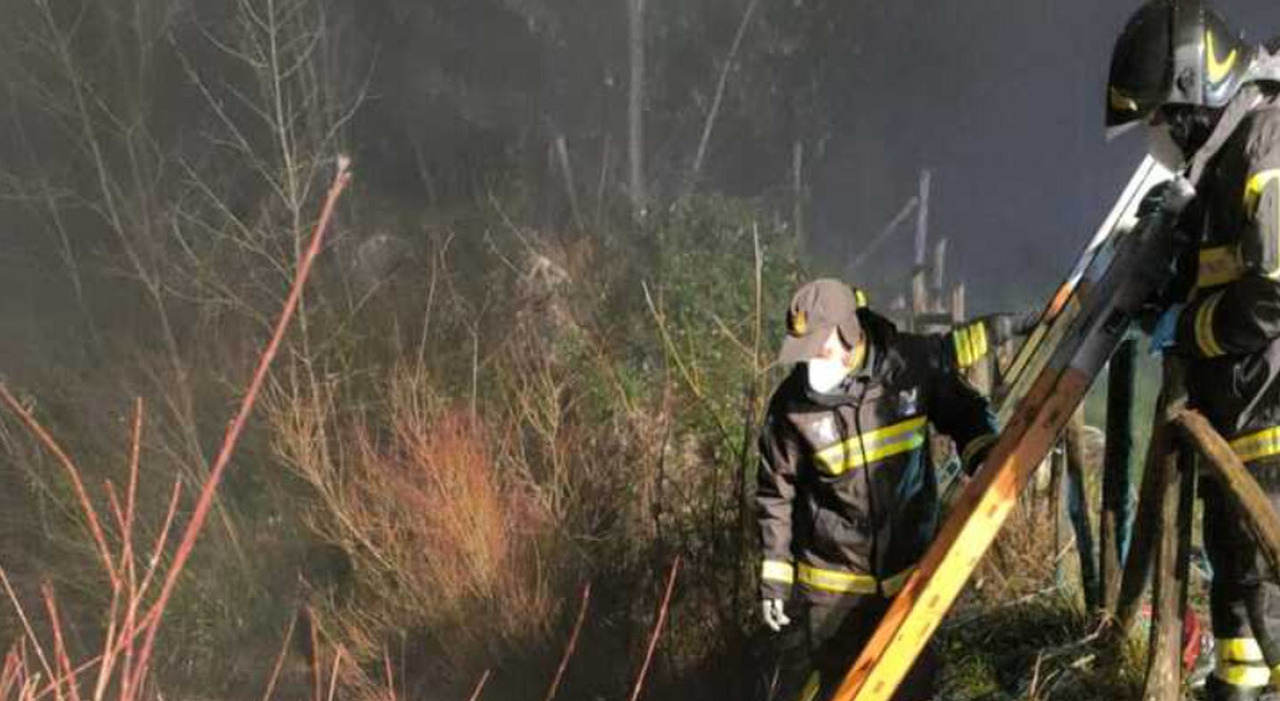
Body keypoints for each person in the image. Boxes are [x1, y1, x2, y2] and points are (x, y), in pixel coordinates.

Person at [1106, 1, 1280, 698]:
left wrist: (1191, 326)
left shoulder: (1265, 145)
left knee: (1269, 596)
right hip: (1243, 422)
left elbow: (1272, 291)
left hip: (1272, 419)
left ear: (1188, 102)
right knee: (1240, 594)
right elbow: (1215, 271)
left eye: (1157, 118)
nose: (1155, 136)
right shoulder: (1221, 163)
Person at [756, 279, 999, 701]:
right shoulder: (792, 406)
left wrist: (984, 454)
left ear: (849, 331)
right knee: (843, 687)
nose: (811, 359)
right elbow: (775, 492)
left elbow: (964, 411)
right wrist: (775, 574)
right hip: (831, 586)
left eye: (819, 346)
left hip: (908, 576)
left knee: (911, 686)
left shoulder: (909, 367)